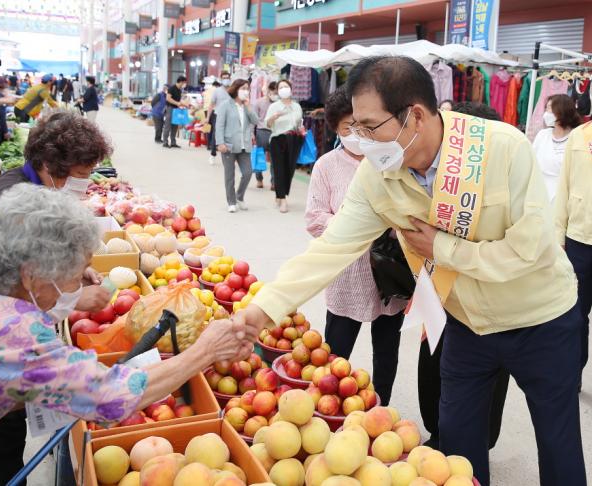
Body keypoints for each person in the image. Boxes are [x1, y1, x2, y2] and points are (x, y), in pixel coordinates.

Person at [234, 56, 585, 486]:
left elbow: (529, 250)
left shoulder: (502, 147)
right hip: (466, 325)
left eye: (369, 127)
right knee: (455, 451)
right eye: (355, 129)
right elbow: (331, 247)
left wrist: (443, 249)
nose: (361, 141)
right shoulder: (377, 175)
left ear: (415, 116)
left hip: (541, 320)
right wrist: (261, 310)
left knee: (558, 444)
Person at [0, 183, 250, 486]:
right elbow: (111, 395)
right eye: (74, 276)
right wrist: (206, 350)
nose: (78, 286)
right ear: (31, 275)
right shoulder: (13, 333)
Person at [0, 111, 125, 484]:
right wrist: (74, 299)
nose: (83, 184)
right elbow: (7, 288)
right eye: (78, 175)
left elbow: (33, 264)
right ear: (48, 164)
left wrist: (71, 271)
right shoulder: (10, 200)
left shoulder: (30, 189)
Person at [415, 100, 510, 450]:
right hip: (439, 296)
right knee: (433, 367)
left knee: (487, 379)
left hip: (490, 309)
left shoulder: (505, 188)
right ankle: (439, 434)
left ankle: (478, 444)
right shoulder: (436, 182)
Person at [305, 86, 406, 405]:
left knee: (387, 349)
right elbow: (314, 218)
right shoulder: (326, 166)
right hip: (346, 273)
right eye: (348, 127)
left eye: (363, 125)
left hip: (389, 274)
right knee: (336, 351)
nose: (357, 134)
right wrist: (353, 225)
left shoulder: (389, 160)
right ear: (335, 128)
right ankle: (329, 408)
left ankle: (381, 406)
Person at [555, 119, 592, 391]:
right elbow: (564, 186)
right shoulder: (579, 136)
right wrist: (559, 235)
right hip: (579, 238)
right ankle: (572, 372)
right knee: (575, 314)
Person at [215, 79, 259, 213]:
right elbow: (219, 125)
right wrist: (220, 142)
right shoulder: (225, 105)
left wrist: (249, 107)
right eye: (243, 88)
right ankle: (231, 201)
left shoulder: (247, 106)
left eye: (247, 89)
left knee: (248, 172)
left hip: (245, 145)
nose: (246, 91)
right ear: (236, 89)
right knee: (229, 175)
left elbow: (256, 121)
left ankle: (239, 196)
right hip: (228, 145)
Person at [533, 94, 582, 202]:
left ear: (561, 111)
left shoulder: (576, 138)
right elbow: (532, 162)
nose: (546, 113)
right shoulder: (543, 135)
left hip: (562, 197)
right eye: (546, 108)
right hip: (538, 193)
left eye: (549, 108)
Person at [264, 79, 304, 213]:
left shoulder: (296, 106)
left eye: (286, 86)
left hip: (293, 138)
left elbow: (299, 123)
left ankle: (280, 194)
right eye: (281, 87)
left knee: (289, 169)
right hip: (278, 139)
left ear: (291, 89)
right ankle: (282, 199)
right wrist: (274, 117)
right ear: (277, 91)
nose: (284, 89)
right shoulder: (274, 106)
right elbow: (267, 124)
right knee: (279, 169)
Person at [252, 81, 278, 189]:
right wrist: (252, 133)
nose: (275, 94)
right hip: (262, 131)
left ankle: (274, 182)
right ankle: (259, 179)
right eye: (273, 92)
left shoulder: (279, 104)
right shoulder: (258, 102)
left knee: (275, 158)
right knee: (259, 156)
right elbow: (253, 119)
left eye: (277, 92)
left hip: (275, 132)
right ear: (268, 91)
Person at [208, 72, 232, 164]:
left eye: (227, 77)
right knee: (216, 135)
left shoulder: (233, 90)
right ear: (221, 79)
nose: (226, 79)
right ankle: (212, 154)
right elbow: (211, 104)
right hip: (218, 115)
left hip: (230, 116)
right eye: (224, 78)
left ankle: (229, 155)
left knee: (229, 135)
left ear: (230, 79)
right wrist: (207, 117)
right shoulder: (217, 91)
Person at [162, 75, 189, 149]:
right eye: (184, 83)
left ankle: (173, 142)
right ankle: (165, 142)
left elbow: (179, 100)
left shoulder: (179, 90)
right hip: (170, 108)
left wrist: (185, 105)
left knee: (175, 126)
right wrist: (177, 103)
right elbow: (168, 98)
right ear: (181, 82)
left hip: (176, 109)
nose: (184, 84)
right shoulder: (172, 88)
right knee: (168, 125)